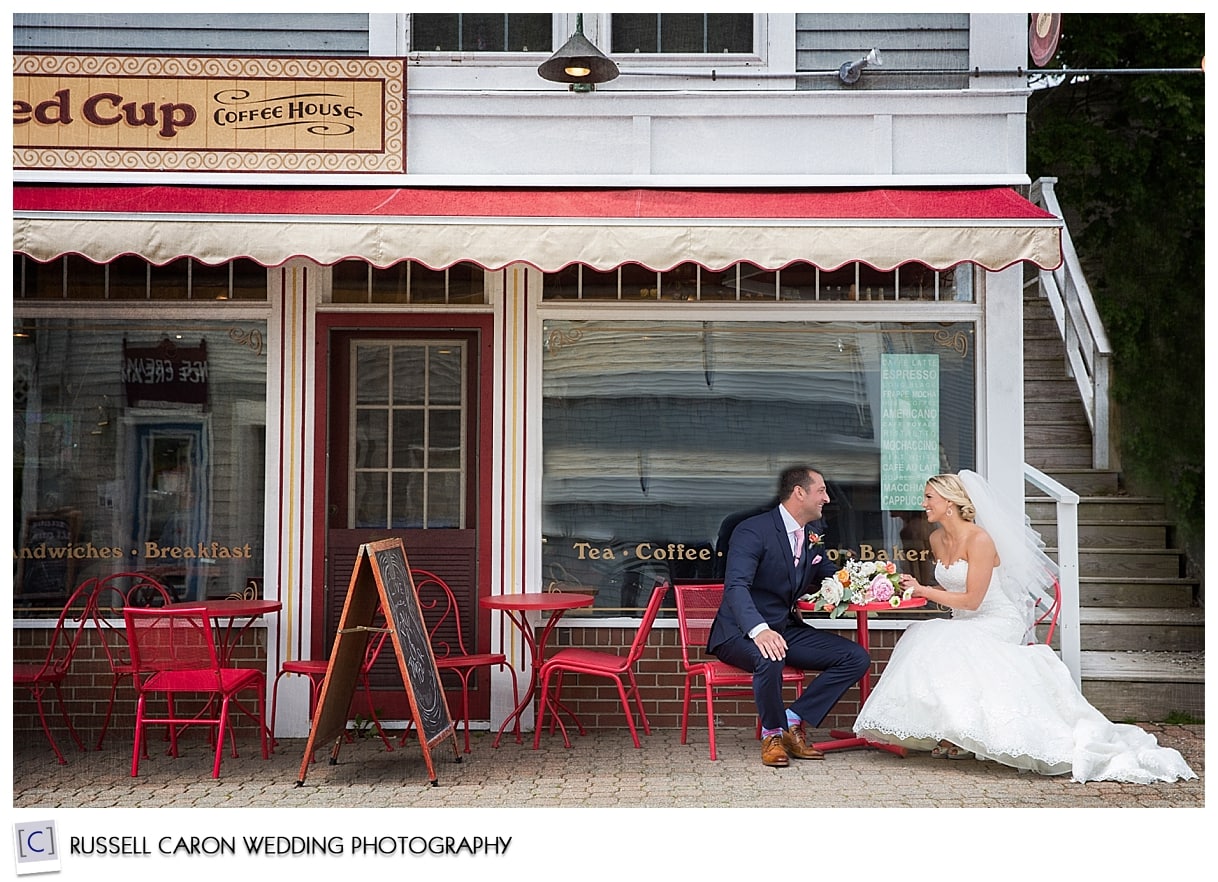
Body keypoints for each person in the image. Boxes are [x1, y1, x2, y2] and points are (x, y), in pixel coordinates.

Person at [853, 471, 1197, 784]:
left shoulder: (980, 540)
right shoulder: (936, 539)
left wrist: (925, 591)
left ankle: (960, 736)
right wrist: (910, 589)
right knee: (927, 638)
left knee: (937, 640)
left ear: (950, 503)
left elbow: (973, 600)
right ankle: (953, 734)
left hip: (996, 619)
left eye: (929, 497)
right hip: (964, 621)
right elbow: (950, 594)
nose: (923, 504)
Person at [708, 465, 870, 768]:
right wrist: (759, 630)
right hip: (740, 632)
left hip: (785, 627)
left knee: (855, 657)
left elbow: (826, 574)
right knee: (770, 655)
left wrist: (861, 585)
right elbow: (736, 587)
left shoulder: (814, 532)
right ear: (799, 493)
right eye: (821, 490)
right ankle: (772, 736)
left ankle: (791, 719)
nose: (827, 498)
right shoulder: (752, 530)